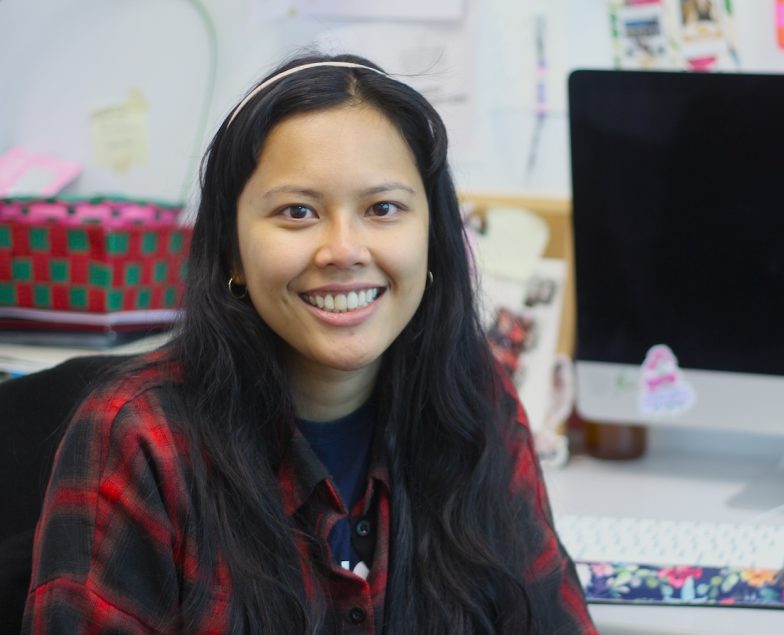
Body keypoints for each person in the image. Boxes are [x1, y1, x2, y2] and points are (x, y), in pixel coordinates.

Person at [22, 54, 596, 634]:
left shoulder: (475, 401)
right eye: (297, 212)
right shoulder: (141, 437)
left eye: (383, 208)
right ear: (232, 253)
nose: (343, 250)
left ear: (433, 239)